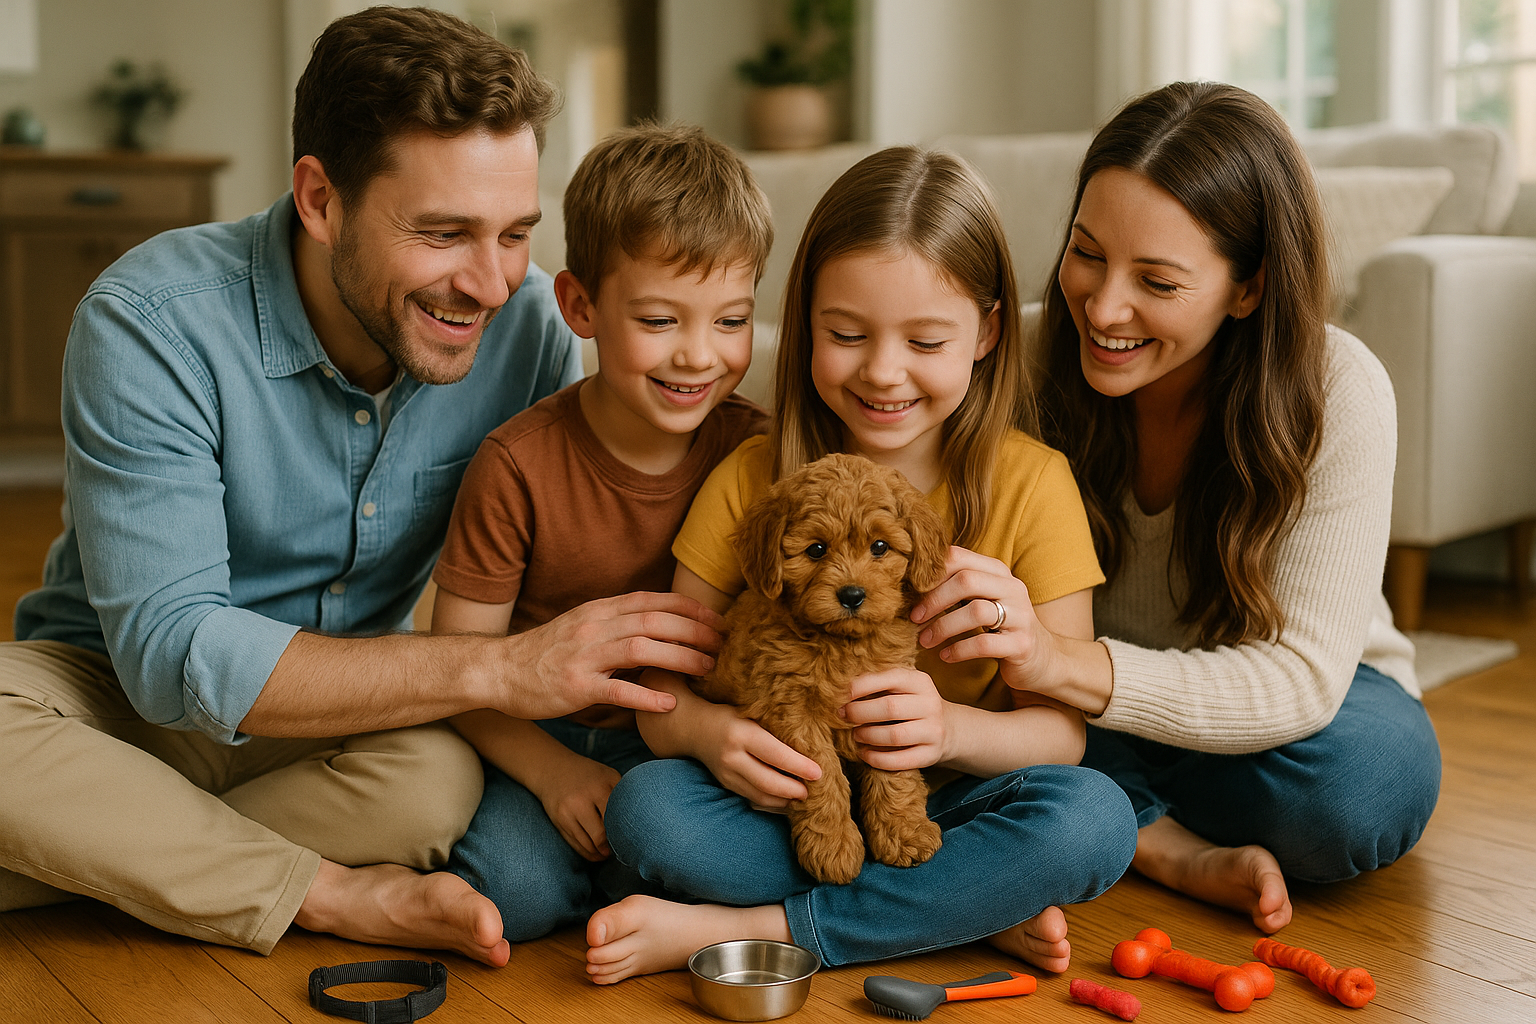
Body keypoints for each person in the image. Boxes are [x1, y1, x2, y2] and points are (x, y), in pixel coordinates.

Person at [0, 8, 719, 967]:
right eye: (443, 232)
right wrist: (495, 669)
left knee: (431, 785)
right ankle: (317, 889)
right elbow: (173, 656)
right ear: (319, 198)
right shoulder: (150, 321)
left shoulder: (531, 324)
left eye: (514, 234)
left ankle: (102, 844)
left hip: (352, 721)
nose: (494, 284)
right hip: (113, 700)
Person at [581, 146, 1139, 983]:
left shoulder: (1034, 483)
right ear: (804, 323)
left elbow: (1060, 736)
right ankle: (960, 906)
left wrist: (949, 730)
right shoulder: (752, 477)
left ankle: (759, 928)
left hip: (949, 797)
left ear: (988, 332)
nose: (884, 372)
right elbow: (665, 694)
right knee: (651, 813)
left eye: (925, 340)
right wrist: (712, 736)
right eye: (846, 334)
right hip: (776, 801)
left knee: (1094, 819)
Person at [985, 81, 1440, 936]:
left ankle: (1097, 808)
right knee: (954, 720)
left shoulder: (1338, 389)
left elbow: (1301, 678)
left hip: (1277, 712)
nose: (1103, 307)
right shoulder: (1020, 360)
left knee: (1365, 783)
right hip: (1067, 711)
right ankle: (1158, 841)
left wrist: (1056, 664)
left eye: (1156, 280)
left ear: (1248, 288)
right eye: (1087, 253)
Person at [428, 122, 774, 941]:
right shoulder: (517, 465)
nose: (699, 357)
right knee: (521, 895)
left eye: (730, 322)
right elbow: (457, 671)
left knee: (680, 845)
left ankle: (646, 888)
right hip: (540, 734)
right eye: (660, 321)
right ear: (581, 306)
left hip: (687, 750)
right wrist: (554, 775)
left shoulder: (761, 453)